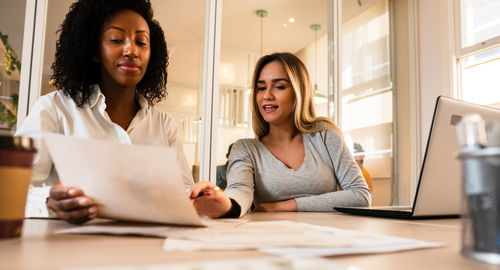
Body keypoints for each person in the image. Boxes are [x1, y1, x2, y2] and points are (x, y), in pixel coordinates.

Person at [15, 0, 194, 224]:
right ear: (95, 50)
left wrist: (199, 196)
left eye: (141, 42)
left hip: (148, 251)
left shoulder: (164, 125)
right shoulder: (54, 109)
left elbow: (185, 192)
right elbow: (11, 188)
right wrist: (49, 202)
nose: (132, 51)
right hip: (67, 251)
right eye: (117, 40)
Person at [191, 52, 371, 218]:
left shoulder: (325, 137)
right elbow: (240, 191)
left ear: (298, 92)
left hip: (329, 239)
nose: (267, 96)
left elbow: (360, 194)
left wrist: (285, 205)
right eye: (261, 88)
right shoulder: (245, 149)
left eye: (279, 86)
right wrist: (225, 205)